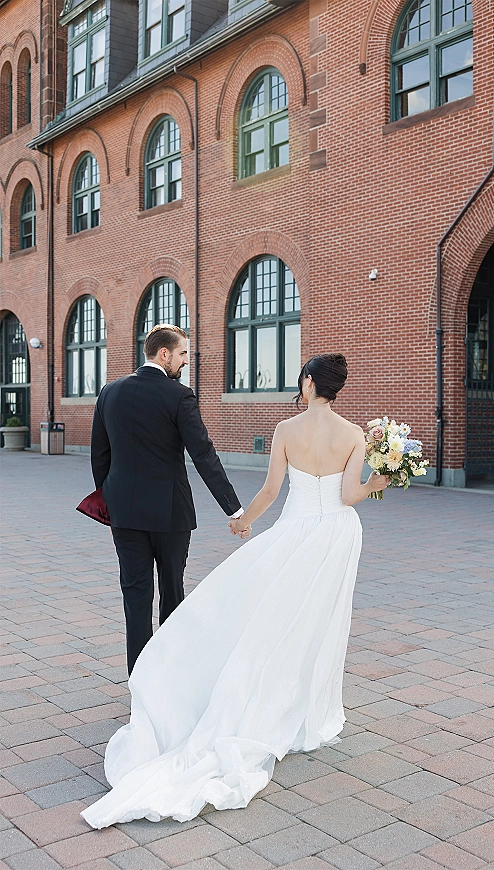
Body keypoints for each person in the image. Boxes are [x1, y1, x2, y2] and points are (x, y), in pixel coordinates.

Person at [82, 353, 389, 829]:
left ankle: (250, 693)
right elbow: (350, 495)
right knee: (322, 621)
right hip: (338, 535)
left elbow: (271, 490)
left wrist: (242, 519)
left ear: (308, 383)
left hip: (296, 532)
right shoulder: (355, 436)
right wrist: (381, 481)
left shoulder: (286, 430)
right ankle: (309, 712)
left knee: (271, 614)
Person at [90, 324, 243, 675]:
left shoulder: (109, 393)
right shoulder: (179, 395)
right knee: (172, 593)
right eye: (183, 354)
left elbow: (100, 457)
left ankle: (140, 682)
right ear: (164, 354)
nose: (186, 361)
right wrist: (234, 509)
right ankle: (170, 680)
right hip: (170, 515)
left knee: (135, 596)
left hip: (125, 514)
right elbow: (203, 455)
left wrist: (111, 497)